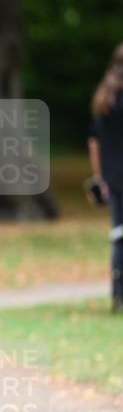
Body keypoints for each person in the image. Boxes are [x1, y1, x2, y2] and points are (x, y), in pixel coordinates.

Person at [88, 42, 123, 313]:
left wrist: (99, 177)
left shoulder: (105, 96)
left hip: (112, 179)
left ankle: (117, 293)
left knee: (119, 235)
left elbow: (94, 141)